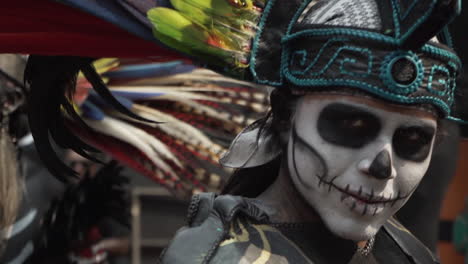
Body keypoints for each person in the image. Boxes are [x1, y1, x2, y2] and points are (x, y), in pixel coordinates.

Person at [157, 0, 465, 263]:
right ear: (283, 116)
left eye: (412, 140)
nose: (382, 167)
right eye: (351, 127)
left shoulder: (405, 252)